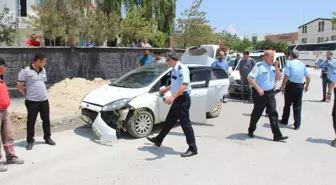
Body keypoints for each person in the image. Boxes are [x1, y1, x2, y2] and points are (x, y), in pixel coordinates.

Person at [146, 51, 197, 157]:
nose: (167, 62)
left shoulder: (182, 68)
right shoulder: (174, 69)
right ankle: (158, 140)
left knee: (185, 125)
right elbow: (175, 83)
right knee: (169, 121)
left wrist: (172, 97)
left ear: (172, 60)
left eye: (167, 60)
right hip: (177, 99)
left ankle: (193, 148)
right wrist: (166, 89)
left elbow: (184, 86)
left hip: (183, 100)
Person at [17, 53, 56, 151]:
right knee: (31, 122)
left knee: (46, 120)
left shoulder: (43, 70)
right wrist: (26, 94)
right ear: (38, 61)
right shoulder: (26, 71)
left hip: (44, 100)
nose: (45, 63)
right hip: (32, 102)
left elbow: (42, 83)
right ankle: (30, 141)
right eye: (44, 61)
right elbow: (19, 85)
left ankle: (47, 137)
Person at [247, 50, 288, 142]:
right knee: (256, 114)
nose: (273, 58)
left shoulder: (273, 67)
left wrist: (277, 67)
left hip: (270, 94)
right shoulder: (259, 66)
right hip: (260, 94)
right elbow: (249, 78)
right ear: (265, 57)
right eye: (271, 57)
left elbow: (278, 78)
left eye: (274, 57)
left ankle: (277, 135)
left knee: (273, 114)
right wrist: (258, 88)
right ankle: (251, 130)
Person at [0, 58, 24, 172]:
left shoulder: (1, 79)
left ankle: (10, 156)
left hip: (4, 112)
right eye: (5, 66)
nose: (5, 68)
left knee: (8, 135)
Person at [279, 50, 310, 130]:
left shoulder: (289, 63)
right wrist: (307, 86)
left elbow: (286, 76)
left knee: (287, 105)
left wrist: (282, 85)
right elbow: (308, 77)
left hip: (291, 86)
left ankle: (284, 120)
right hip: (299, 86)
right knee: (298, 105)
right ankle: (297, 124)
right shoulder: (302, 64)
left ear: (291, 56)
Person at [322, 52, 336, 146]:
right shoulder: (325, 61)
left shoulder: (334, 63)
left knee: (335, 117)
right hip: (326, 77)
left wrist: (329, 93)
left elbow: (333, 82)